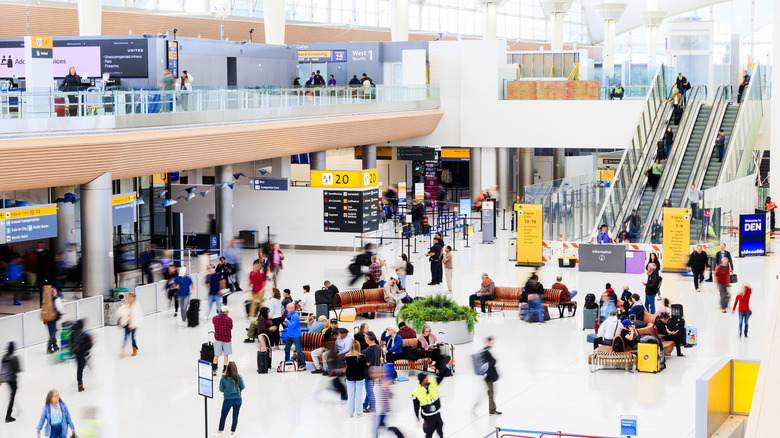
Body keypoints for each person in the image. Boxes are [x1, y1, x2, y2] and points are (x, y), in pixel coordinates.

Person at [412, 372, 445, 438]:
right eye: (425, 378)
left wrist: (448, 367)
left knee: (440, 433)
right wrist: (418, 420)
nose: (427, 379)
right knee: (429, 434)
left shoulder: (433, 382)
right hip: (428, 418)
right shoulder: (416, 393)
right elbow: (416, 408)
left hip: (437, 414)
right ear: (422, 380)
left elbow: (441, 376)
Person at [217, 362, 244, 438]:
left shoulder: (224, 378)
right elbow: (242, 387)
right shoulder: (239, 377)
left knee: (223, 416)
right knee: (235, 416)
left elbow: (221, 389)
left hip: (228, 399)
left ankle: (220, 430)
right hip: (238, 399)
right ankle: (232, 432)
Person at [479, 337, 501, 416]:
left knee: (491, 392)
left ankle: (492, 409)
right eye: (491, 342)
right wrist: (493, 361)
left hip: (488, 375)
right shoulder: (485, 352)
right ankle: (492, 410)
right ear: (488, 342)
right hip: (488, 376)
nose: (492, 344)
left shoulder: (486, 351)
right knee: (491, 393)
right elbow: (489, 363)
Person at [117, 293, 142, 358]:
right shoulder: (125, 306)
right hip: (126, 324)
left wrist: (134, 325)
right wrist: (124, 306)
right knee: (125, 338)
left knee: (133, 338)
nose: (129, 299)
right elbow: (118, 313)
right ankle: (122, 351)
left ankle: (134, 349)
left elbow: (138, 316)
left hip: (133, 325)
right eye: (128, 298)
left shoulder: (136, 306)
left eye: (130, 298)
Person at [345, 340, 366, 418]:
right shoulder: (362, 357)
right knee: (359, 395)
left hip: (350, 377)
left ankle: (350, 413)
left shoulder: (347, 356)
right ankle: (359, 412)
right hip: (360, 377)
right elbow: (363, 367)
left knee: (351, 395)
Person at [69, 319, 92, 392]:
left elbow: (70, 342)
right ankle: (80, 383)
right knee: (81, 367)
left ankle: (80, 383)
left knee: (80, 367)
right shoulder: (83, 334)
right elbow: (89, 344)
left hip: (76, 352)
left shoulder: (73, 333)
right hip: (82, 352)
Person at [1, 341, 20, 423]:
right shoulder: (14, 358)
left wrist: (1, 379)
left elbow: (2, 368)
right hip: (13, 380)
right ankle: (8, 416)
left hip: (6, 379)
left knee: (12, 395)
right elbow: (17, 369)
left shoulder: (4, 356)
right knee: (12, 396)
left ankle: (16, 408)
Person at [283, 303, 306, 371]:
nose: (287, 309)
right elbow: (287, 318)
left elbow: (291, 326)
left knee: (298, 350)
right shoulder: (289, 314)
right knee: (286, 349)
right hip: (289, 335)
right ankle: (286, 361)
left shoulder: (296, 316)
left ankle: (303, 364)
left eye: (288, 308)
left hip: (296, 335)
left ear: (292, 308)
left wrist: (286, 321)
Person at [363, 332, 381, 413]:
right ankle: (364, 405)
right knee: (369, 390)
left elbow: (367, 363)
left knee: (369, 391)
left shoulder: (368, 350)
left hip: (369, 373)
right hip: (376, 371)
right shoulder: (377, 347)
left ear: (368, 338)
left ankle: (372, 407)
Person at [43, 287, 65, 354]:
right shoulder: (56, 299)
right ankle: (49, 348)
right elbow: (59, 308)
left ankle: (55, 346)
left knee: (52, 333)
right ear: (54, 292)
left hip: (48, 319)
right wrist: (62, 312)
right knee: (53, 334)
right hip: (53, 318)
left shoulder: (46, 300)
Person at [213, 306, 234, 376]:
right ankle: (224, 370)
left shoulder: (215, 318)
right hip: (226, 339)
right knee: (226, 355)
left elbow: (214, 324)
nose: (228, 312)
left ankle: (214, 369)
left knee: (216, 355)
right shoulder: (229, 320)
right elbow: (231, 327)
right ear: (225, 312)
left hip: (218, 339)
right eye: (227, 311)